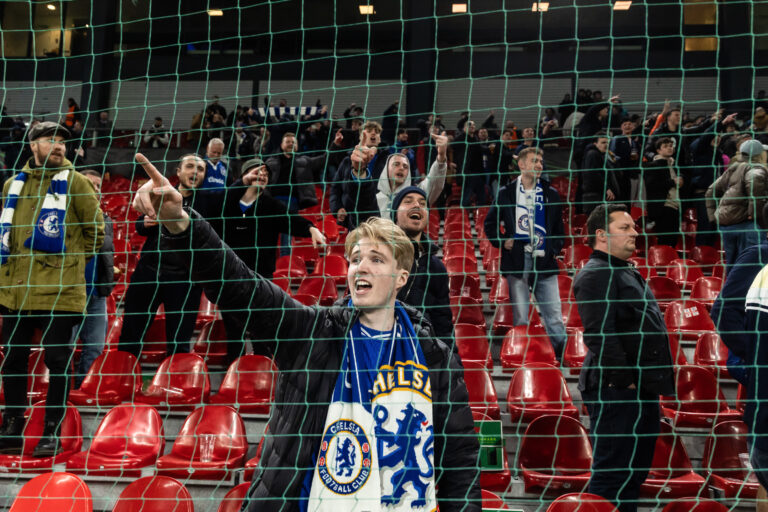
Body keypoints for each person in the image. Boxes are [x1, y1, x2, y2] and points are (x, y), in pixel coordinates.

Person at [130, 153, 481, 511]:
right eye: (355, 257)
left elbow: (460, 460)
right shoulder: (312, 331)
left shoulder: (434, 355)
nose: (361, 266)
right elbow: (240, 286)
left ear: (401, 278)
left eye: (377, 259)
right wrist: (181, 223)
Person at [0, 122, 105, 456]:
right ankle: (13, 426)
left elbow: (95, 233)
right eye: (51, 140)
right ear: (33, 146)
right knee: (13, 359)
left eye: (63, 141)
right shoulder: (12, 185)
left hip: (60, 290)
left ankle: (51, 430)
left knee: (58, 360)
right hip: (17, 289)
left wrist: (68, 264)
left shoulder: (76, 183)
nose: (59, 146)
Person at [574, 204, 675, 512]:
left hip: (639, 389)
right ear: (601, 235)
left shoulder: (622, 269)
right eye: (625, 228)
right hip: (616, 390)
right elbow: (599, 334)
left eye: (633, 227)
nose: (635, 232)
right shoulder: (595, 273)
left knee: (633, 473)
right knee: (612, 474)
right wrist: (626, 382)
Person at [117, 154, 210, 358]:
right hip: (148, 274)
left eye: (200, 169)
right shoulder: (161, 193)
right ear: (178, 171)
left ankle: (174, 386)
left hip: (185, 280)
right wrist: (145, 223)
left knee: (179, 344)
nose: (195, 171)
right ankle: (124, 382)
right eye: (190, 166)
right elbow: (140, 225)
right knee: (130, 336)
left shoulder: (210, 202)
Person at [483, 147, 567, 356]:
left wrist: (552, 249)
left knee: (554, 317)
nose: (539, 164)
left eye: (541, 161)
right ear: (521, 164)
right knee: (521, 317)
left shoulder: (550, 193)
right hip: (517, 259)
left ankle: (558, 360)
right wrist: (502, 241)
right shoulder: (506, 192)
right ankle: (525, 358)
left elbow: (559, 230)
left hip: (544, 261)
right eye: (534, 160)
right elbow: (490, 223)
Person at [391, 186, 453, 341]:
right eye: (408, 201)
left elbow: (443, 324)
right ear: (395, 215)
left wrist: (452, 362)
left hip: (421, 353)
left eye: (422, 203)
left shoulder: (437, 268)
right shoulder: (380, 256)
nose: (417, 205)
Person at [71, 169, 115, 388]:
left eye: (98, 186)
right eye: (90, 184)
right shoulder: (66, 218)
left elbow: (107, 258)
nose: (95, 189)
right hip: (69, 294)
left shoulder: (106, 220)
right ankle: (59, 391)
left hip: (97, 294)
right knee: (64, 347)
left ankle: (81, 389)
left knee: (95, 347)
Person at [706, 139, 768, 268]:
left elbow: (710, 192)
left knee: (733, 266)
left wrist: (713, 217)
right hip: (746, 224)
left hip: (726, 224)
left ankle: (731, 288)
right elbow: (755, 187)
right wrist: (755, 216)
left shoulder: (733, 168)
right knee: (751, 266)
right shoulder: (756, 169)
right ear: (759, 154)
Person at [376, 132, 448, 218]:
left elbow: (434, 182)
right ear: (386, 170)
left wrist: (441, 156)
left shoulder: (416, 195)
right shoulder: (373, 199)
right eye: (396, 164)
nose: (402, 168)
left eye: (405, 166)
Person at [643, 137, 683, 247]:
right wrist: (672, 182)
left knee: (673, 241)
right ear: (658, 150)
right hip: (663, 208)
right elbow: (651, 186)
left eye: (671, 146)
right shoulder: (653, 165)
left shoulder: (674, 166)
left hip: (675, 206)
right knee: (664, 241)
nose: (669, 148)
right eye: (665, 146)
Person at [581, 131, 621, 215]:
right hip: (594, 198)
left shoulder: (600, 155)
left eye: (607, 142)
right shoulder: (593, 154)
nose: (606, 145)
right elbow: (593, 174)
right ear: (595, 143)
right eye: (603, 142)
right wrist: (606, 189)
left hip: (598, 197)